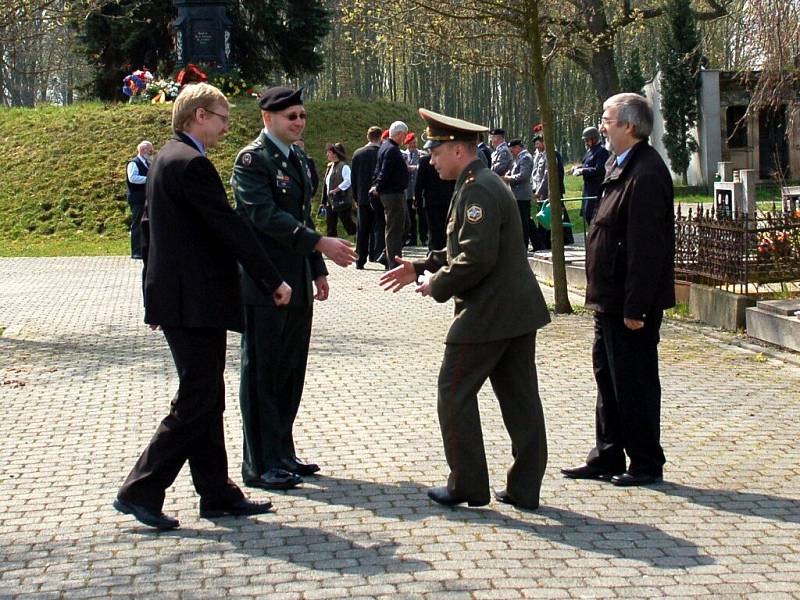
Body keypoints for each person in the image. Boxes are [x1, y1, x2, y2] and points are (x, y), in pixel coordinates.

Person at [113, 83, 291, 531]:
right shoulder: (191, 165)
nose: (226, 127)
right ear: (198, 117)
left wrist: (154, 300)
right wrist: (271, 278)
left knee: (207, 397)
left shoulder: (165, 160)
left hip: (183, 300)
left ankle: (216, 492)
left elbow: (151, 233)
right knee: (197, 398)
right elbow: (228, 227)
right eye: (221, 117)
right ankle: (141, 488)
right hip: (194, 302)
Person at [380, 108, 550, 510]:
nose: (430, 160)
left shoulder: (478, 189)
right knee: (520, 398)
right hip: (515, 310)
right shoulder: (477, 182)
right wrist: (423, 264)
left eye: (435, 152)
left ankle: (467, 484)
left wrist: (433, 284)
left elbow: (476, 259)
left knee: (453, 392)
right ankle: (525, 488)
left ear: (457, 150)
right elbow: (463, 246)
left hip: (488, 313)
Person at [231, 86, 357, 491]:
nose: (299, 122)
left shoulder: (301, 159)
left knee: (289, 372)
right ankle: (259, 463)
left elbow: (302, 215)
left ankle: (283, 452)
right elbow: (263, 216)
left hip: (298, 279)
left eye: (302, 115)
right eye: (291, 117)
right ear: (268, 119)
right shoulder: (252, 161)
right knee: (262, 373)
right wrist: (320, 245)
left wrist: (316, 267)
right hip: (266, 282)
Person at [561, 93, 675, 487]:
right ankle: (608, 454)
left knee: (636, 383)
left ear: (629, 125)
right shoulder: (619, 164)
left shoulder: (646, 173)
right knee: (608, 380)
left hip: (629, 304)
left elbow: (646, 248)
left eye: (607, 119)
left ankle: (645, 462)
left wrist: (637, 306)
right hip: (607, 299)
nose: (602, 125)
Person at [370, 121, 409, 269]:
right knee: (394, 228)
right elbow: (384, 171)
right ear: (399, 134)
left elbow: (378, 169)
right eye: (404, 135)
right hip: (392, 194)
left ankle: (387, 255)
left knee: (404, 225)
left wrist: (376, 184)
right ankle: (394, 263)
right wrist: (378, 186)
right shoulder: (391, 150)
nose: (405, 138)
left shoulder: (385, 147)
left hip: (394, 192)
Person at [351, 126, 385, 269]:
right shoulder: (383, 153)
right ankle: (379, 256)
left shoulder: (358, 153)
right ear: (381, 137)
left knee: (362, 230)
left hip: (363, 197)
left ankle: (360, 260)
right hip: (379, 197)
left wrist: (356, 197)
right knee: (380, 227)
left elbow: (353, 178)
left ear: (367, 137)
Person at [532, 135, 574, 246]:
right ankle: (546, 241)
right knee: (545, 215)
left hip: (551, 191)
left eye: (538, 143)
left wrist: (539, 191)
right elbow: (537, 175)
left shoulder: (551, 155)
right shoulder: (540, 156)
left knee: (558, 214)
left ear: (544, 143)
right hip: (543, 191)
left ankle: (566, 239)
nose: (536, 146)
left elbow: (547, 175)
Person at [414, 151, 455, 251]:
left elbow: (419, 183)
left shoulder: (424, 161)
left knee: (433, 229)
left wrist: (418, 201)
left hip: (431, 200)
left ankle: (434, 251)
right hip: (447, 198)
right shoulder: (448, 159)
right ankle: (445, 250)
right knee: (446, 228)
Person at [572, 126, 610, 226]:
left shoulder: (602, 151)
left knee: (594, 216)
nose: (586, 142)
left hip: (596, 188)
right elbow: (587, 164)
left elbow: (599, 170)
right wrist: (578, 167)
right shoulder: (590, 151)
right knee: (588, 216)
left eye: (587, 140)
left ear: (594, 139)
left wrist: (583, 171)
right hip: (588, 189)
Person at [502, 139, 534, 252]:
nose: (512, 153)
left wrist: (508, 178)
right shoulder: (519, 158)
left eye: (512, 151)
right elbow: (516, 171)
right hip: (516, 195)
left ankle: (524, 246)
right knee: (519, 221)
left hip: (522, 195)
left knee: (524, 222)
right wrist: (509, 174)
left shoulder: (525, 157)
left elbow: (524, 175)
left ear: (517, 147)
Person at [125, 140, 154, 259]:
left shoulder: (148, 163)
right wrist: (149, 178)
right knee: (137, 225)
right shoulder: (133, 163)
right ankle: (136, 251)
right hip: (137, 199)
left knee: (146, 225)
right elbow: (133, 178)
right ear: (142, 150)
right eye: (150, 150)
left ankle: (145, 250)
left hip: (146, 199)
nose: (152, 152)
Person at [322, 142, 357, 237]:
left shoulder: (343, 166)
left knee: (348, 224)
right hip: (330, 201)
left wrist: (337, 189)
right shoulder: (330, 166)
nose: (327, 154)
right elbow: (326, 184)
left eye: (329, 152)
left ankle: (361, 238)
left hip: (341, 200)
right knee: (330, 225)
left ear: (335, 153)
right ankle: (333, 248)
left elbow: (349, 180)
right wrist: (324, 201)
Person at [402, 132, 427, 247]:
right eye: (410, 144)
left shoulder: (422, 154)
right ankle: (411, 238)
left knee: (422, 215)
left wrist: (413, 168)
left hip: (419, 190)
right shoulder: (403, 155)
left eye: (414, 143)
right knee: (409, 216)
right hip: (408, 190)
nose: (413, 146)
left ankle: (424, 238)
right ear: (406, 144)